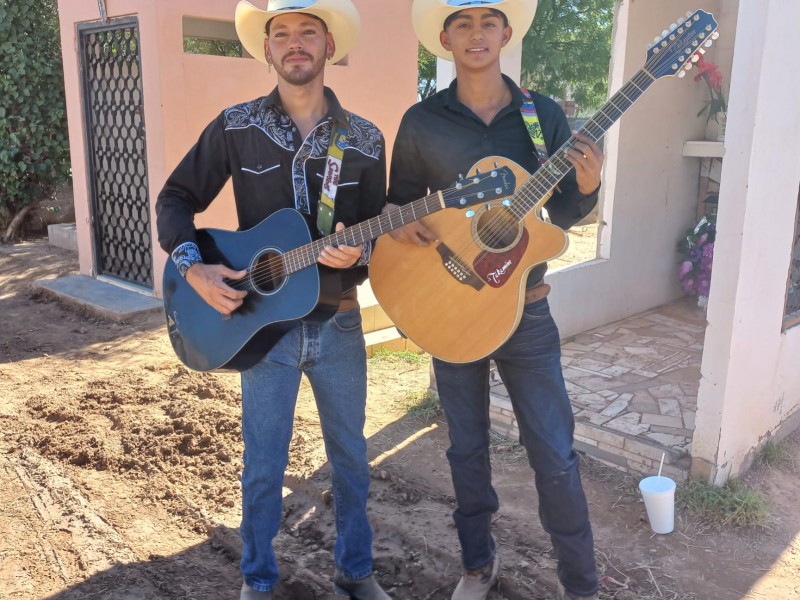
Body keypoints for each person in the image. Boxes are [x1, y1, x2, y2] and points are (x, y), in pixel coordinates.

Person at [155, 1, 390, 599]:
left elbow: (373, 234)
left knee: (352, 460)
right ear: (266, 50)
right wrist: (196, 267)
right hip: (264, 329)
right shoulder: (235, 126)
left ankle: (356, 573)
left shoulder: (364, 139)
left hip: (338, 325)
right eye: (280, 33)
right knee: (262, 467)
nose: (294, 43)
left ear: (328, 46)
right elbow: (175, 199)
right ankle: (257, 580)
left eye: (308, 32)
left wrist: (355, 255)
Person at [385, 1, 603, 599]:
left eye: (487, 22)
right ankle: (478, 564)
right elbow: (400, 209)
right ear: (445, 39)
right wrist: (399, 221)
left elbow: (561, 217)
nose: (475, 34)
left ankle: (581, 586)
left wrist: (587, 186)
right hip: (451, 303)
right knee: (466, 448)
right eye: (462, 24)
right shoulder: (422, 121)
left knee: (555, 455)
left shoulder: (544, 117)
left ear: (506, 33)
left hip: (527, 310)